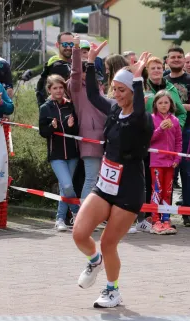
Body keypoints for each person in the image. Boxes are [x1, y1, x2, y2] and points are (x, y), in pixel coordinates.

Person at [73, 43, 153, 308]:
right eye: (115, 89)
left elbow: (140, 109)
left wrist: (139, 78)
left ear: (133, 92)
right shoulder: (113, 110)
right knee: (80, 233)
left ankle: (112, 291)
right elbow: (94, 96)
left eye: (122, 90)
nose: (116, 94)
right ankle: (93, 261)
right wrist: (90, 63)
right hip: (105, 183)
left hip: (129, 188)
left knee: (108, 243)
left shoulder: (142, 118)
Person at [38, 74, 81, 231]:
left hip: (72, 153)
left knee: (65, 188)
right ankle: (77, 213)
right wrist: (52, 127)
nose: (58, 91)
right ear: (49, 90)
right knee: (67, 186)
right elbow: (43, 132)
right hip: (56, 154)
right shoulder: (45, 108)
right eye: (55, 88)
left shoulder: (70, 106)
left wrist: (71, 126)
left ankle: (60, 220)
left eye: (61, 87)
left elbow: (77, 131)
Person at [164, 46, 190, 227]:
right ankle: (166, 212)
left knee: (188, 171)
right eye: (173, 57)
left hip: (188, 130)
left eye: (180, 57)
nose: (177, 60)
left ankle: (188, 211)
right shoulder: (162, 80)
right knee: (168, 171)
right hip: (166, 132)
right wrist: (183, 106)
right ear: (167, 61)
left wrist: (175, 107)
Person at [69, 36, 107, 201]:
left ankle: (96, 215)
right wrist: (76, 48)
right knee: (91, 178)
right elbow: (75, 72)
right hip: (90, 137)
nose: (86, 73)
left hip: (106, 137)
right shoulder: (76, 87)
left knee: (102, 182)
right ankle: (82, 216)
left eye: (89, 70)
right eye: (85, 70)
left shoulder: (99, 88)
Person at [149, 90, 182, 235]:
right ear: (155, 104)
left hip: (170, 163)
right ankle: (155, 220)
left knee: (168, 191)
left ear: (171, 104)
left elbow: (179, 142)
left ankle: (166, 219)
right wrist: (160, 129)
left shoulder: (175, 121)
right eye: (160, 103)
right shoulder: (151, 119)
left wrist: (177, 158)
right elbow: (148, 140)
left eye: (166, 102)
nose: (163, 105)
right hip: (156, 162)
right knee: (157, 190)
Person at [36, 31, 73, 106]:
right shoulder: (55, 66)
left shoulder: (77, 64)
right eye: (65, 44)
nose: (69, 47)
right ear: (57, 45)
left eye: (71, 44)